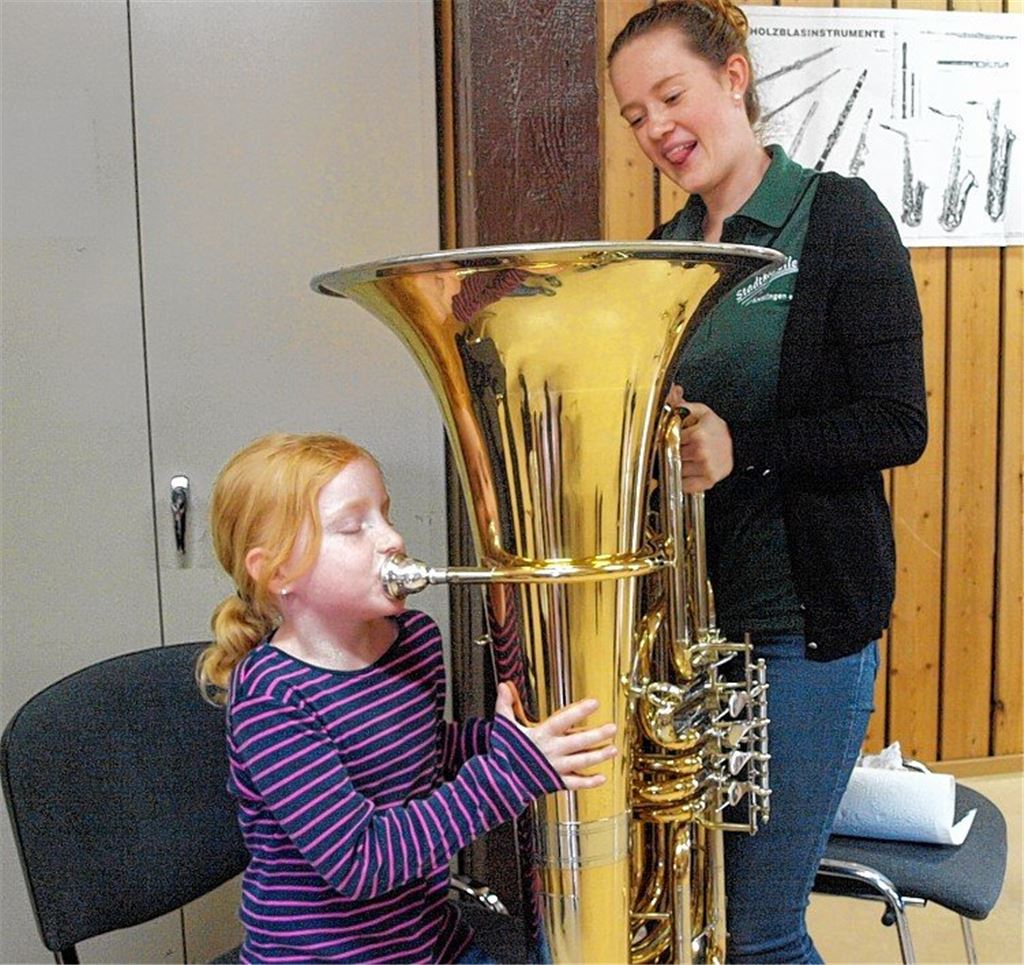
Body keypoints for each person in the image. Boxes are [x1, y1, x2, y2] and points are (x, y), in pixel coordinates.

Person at [608, 2, 926, 962]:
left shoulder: (837, 216)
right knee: (695, 922)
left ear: (734, 79)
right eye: (634, 114)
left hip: (802, 632)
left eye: (672, 95)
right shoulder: (665, 249)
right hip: (694, 638)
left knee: (757, 932)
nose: (657, 127)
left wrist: (747, 445)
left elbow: (896, 424)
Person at [197, 432, 617, 964]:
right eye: (355, 526)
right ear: (278, 572)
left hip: (430, 942)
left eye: (385, 514)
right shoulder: (272, 697)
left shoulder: (414, 640)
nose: (392, 537)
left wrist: (502, 740)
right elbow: (360, 859)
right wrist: (509, 774)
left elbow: (417, 754)